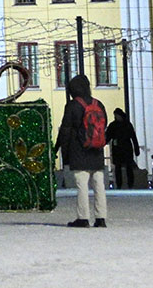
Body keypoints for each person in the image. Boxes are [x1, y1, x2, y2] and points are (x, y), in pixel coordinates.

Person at [56, 74, 110, 228]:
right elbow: (102, 127)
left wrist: (62, 151)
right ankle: (101, 218)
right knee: (99, 185)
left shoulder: (73, 106)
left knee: (82, 186)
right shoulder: (98, 104)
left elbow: (65, 131)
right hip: (96, 151)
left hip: (79, 151)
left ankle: (83, 218)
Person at [106, 107, 140, 190]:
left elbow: (133, 137)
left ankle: (130, 184)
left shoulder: (126, 125)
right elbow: (108, 136)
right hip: (120, 149)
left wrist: (136, 149)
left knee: (128, 167)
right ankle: (119, 184)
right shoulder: (116, 125)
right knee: (118, 168)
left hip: (124, 148)